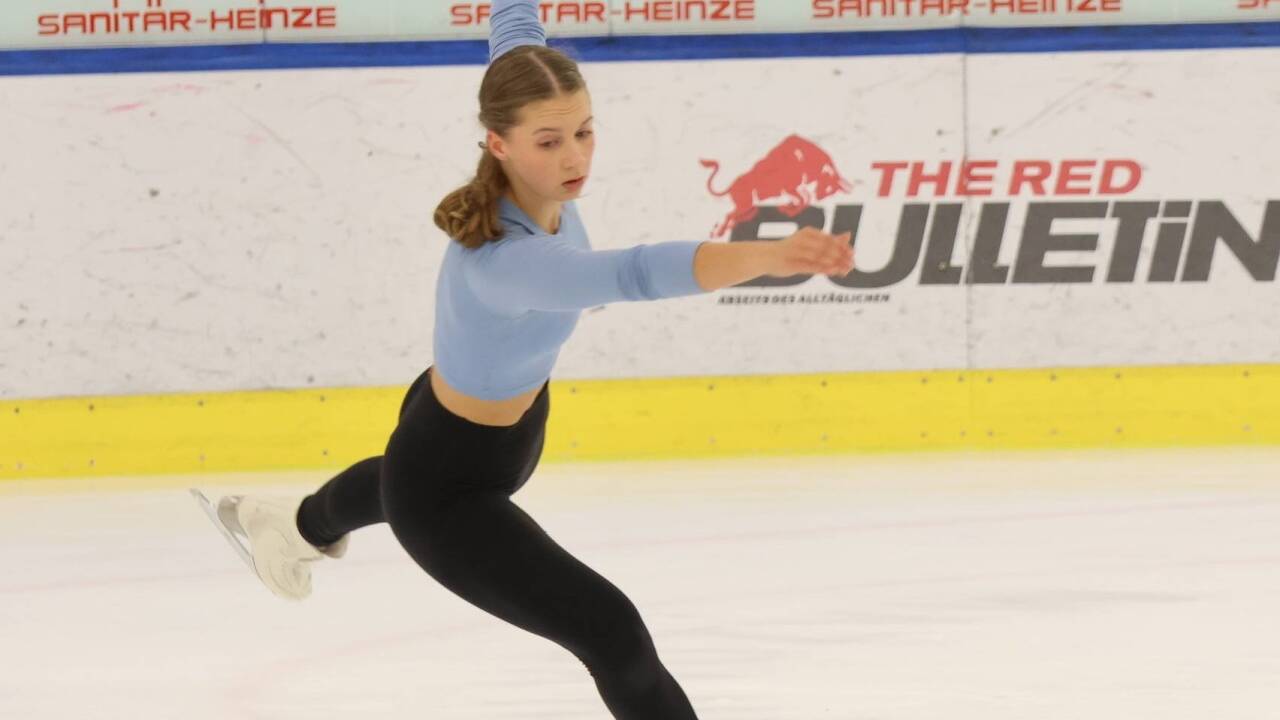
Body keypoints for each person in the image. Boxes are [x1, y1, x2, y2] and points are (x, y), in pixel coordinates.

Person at [217, 1, 854, 717]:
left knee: (394, 474)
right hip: (448, 492)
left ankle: (294, 526)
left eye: (584, 132)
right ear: (498, 145)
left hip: (467, 426)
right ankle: (297, 526)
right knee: (613, 635)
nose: (574, 156)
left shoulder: (528, 151)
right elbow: (635, 274)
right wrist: (767, 253)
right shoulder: (509, 261)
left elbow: (515, 33)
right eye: (549, 142)